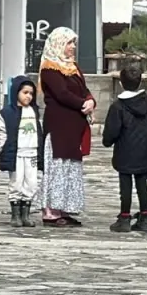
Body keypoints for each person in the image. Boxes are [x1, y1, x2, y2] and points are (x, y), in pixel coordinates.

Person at [39, 27, 94, 227]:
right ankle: (51, 211)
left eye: (73, 43)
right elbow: (61, 93)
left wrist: (91, 101)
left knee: (70, 166)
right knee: (58, 165)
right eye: (69, 43)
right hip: (59, 125)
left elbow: (84, 89)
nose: (72, 47)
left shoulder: (73, 67)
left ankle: (64, 208)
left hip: (74, 126)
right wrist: (82, 103)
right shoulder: (49, 68)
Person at [102, 63, 147, 233]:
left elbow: (112, 130)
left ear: (121, 83)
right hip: (144, 149)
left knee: (125, 185)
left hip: (125, 150)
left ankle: (124, 218)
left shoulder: (118, 106)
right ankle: (145, 217)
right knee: (142, 184)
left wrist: (107, 141)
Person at [0, 76, 43, 229]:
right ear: (16, 92)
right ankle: (15, 214)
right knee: (16, 182)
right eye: (25, 92)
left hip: (32, 153)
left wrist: (40, 150)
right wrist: (3, 148)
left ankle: (26, 214)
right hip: (16, 153)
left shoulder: (34, 111)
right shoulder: (6, 113)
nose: (28, 96)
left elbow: (38, 131)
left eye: (31, 93)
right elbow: (1, 133)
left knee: (31, 183)